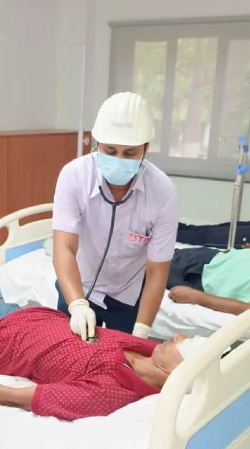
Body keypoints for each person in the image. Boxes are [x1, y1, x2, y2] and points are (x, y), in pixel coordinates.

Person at [52, 92, 179, 341]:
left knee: (123, 358)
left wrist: (141, 332)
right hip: (78, 285)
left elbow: (157, 271)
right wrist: (77, 305)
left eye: (130, 153)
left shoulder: (163, 192)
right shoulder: (74, 176)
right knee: (68, 354)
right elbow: (64, 248)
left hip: (127, 294)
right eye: (110, 151)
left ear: (145, 148)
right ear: (97, 143)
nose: (119, 160)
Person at [0, 306, 205, 421]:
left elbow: (14, 396)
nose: (178, 336)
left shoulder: (109, 393)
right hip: (25, 313)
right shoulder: (149, 349)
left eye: (186, 343)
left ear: (176, 372)